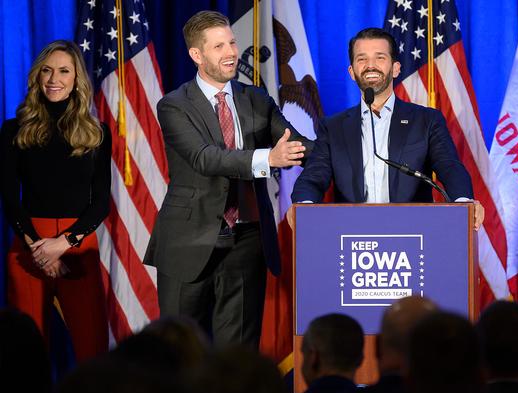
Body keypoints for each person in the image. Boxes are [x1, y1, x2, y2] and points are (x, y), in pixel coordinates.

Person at [144, 10, 311, 348]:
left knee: (238, 352)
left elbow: (298, 145)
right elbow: (205, 158)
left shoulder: (257, 100)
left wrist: (353, 143)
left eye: (232, 43)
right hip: (187, 240)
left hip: (246, 239)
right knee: (178, 351)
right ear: (197, 54)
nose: (231, 52)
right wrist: (268, 158)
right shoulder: (174, 105)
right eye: (219, 46)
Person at [291, 27, 484, 230]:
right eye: (362, 59)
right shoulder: (332, 127)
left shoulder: (426, 120)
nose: (370, 66)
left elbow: (450, 167)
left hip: (413, 234)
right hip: (351, 238)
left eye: (380, 58)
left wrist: (464, 201)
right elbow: (313, 177)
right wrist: (303, 207)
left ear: (395, 68)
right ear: (352, 72)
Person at [0, 40, 111, 361]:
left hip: (79, 247)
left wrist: (64, 243)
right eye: (47, 71)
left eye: (64, 71)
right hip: (27, 247)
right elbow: (9, 196)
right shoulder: (13, 130)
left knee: (93, 347)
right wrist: (39, 248)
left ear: (77, 79)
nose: (54, 79)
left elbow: (101, 201)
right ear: (36, 76)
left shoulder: (97, 133)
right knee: (25, 352)